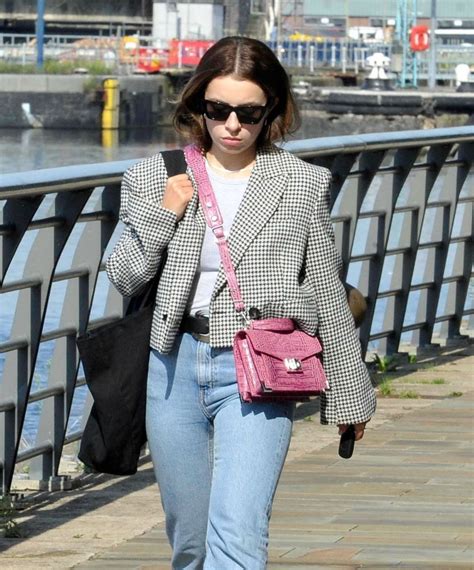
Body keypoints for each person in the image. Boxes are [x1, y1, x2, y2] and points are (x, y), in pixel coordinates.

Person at [106, 36, 376, 570]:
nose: (232, 124)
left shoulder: (301, 183)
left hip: (261, 367)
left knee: (238, 533)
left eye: (248, 112)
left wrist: (349, 397)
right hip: (173, 366)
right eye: (218, 109)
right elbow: (123, 276)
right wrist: (165, 214)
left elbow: (326, 289)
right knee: (190, 542)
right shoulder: (155, 176)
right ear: (198, 105)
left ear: (271, 109)